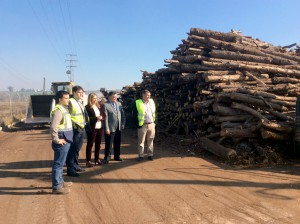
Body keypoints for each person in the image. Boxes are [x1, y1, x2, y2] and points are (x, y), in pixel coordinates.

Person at [50, 90, 73, 194]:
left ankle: (60, 181)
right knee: (58, 164)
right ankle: (56, 187)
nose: (68, 100)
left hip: (66, 138)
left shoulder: (64, 109)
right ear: (60, 99)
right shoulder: (58, 110)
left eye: (68, 98)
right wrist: (56, 140)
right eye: (66, 98)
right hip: (61, 140)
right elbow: (53, 127)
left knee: (61, 162)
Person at [66, 85, 88, 177]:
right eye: (79, 92)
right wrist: (74, 127)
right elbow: (68, 116)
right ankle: (70, 169)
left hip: (81, 128)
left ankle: (75, 165)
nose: (81, 94)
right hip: (75, 129)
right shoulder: (71, 102)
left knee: (77, 149)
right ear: (74, 93)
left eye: (82, 92)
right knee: (72, 149)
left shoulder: (79, 102)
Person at [133, 90, 156, 161]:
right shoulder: (138, 102)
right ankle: (141, 155)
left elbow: (154, 112)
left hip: (151, 124)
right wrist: (137, 124)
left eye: (149, 95)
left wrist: (154, 122)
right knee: (141, 141)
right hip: (142, 125)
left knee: (150, 140)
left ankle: (150, 155)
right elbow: (134, 115)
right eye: (147, 95)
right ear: (143, 95)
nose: (149, 96)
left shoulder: (151, 102)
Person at [103, 91, 126, 164]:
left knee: (117, 142)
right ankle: (107, 157)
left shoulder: (119, 104)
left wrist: (123, 123)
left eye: (116, 97)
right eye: (113, 97)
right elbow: (105, 118)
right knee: (109, 143)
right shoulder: (106, 105)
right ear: (109, 97)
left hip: (118, 127)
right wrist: (106, 128)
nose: (115, 98)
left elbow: (122, 115)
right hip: (110, 128)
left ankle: (117, 156)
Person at [85, 93, 105, 167]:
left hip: (99, 128)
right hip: (92, 128)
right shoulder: (87, 107)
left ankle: (97, 159)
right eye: (94, 98)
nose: (95, 99)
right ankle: (88, 160)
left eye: (96, 98)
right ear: (90, 99)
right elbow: (87, 119)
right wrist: (96, 118)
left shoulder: (98, 106)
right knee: (90, 144)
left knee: (98, 144)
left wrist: (102, 118)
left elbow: (103, 115)